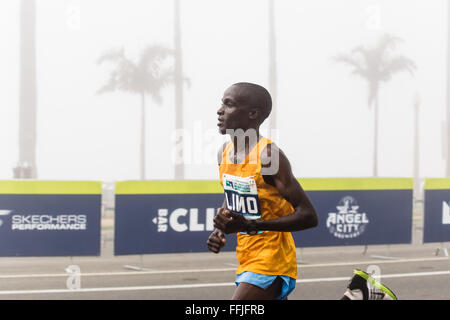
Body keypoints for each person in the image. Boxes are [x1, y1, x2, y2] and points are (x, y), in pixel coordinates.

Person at [207, 82, 397, 301]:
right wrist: (221, 229)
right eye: (222, 103)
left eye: (228, 104)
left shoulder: (268, 157)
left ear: (252, 114)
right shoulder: (224, 153)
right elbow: (234, 194)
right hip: (247, 256)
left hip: (272, 260)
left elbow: (308, 215)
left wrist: (250, 225)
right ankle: (358, 295)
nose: (220, 110)